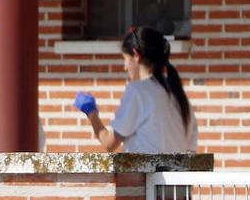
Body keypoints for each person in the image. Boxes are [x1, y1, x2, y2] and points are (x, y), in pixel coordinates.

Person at [74, 25, 198, 153]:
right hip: (176, 172)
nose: (125, 67)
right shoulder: (177, 93)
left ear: (136, 55)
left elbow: (109, 143)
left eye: (125, 59)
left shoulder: (138, 91)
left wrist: (91, 113)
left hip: (146, 172)